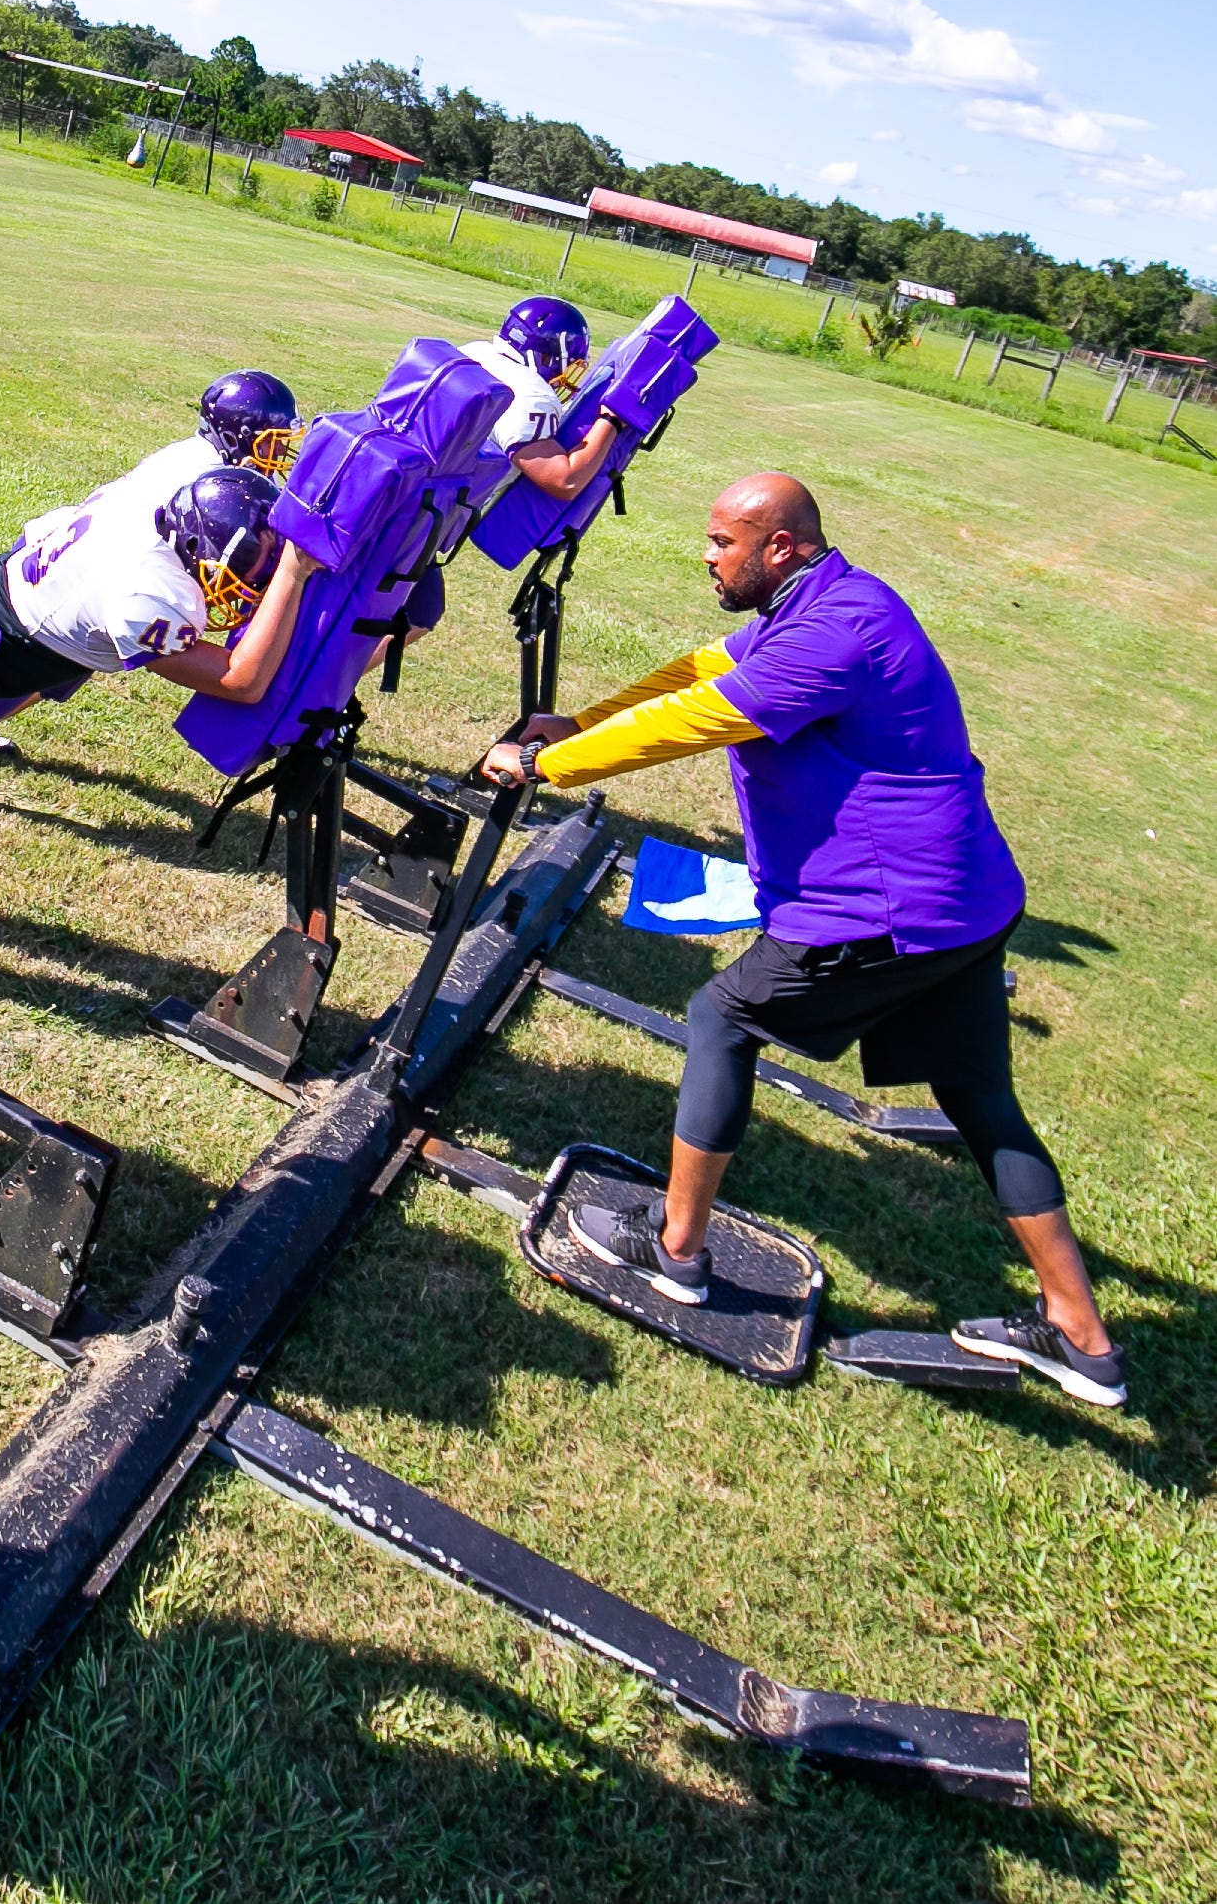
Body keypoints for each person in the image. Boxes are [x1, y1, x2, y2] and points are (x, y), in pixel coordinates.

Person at [480, 472, 1122, 1406]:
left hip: (891, 909)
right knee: (981, 1099)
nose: (706, 556)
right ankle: (1080, 1336)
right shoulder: (823, 598)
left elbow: (703, 717)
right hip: (965, 902)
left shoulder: (832, 634)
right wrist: (582, 718)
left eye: (722, 543)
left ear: (779, 546)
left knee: (720, 1015)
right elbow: (702, 670)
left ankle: (676, 1253)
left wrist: (546, 761)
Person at [0, 456, 316, 723]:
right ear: (196, 546)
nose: (261, 575)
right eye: (253, 556)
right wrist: (291, 575)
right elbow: (241, 682)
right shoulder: (153, 594)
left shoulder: (157, 511)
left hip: (0, 584)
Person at [463, 295, 621, 499]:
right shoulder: (531, 394)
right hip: (430, 518)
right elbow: (565, 481)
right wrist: (610, 421)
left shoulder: (473, 351)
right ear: (546, 357)